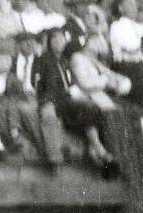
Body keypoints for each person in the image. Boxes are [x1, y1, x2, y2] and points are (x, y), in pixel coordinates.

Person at [39, 28, 115, 170]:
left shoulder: (65, 60)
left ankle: (97, 150)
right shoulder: (44, 60)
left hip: (68, 98)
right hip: (55, 100)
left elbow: (71, 83)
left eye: (61, 39)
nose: (59, 43)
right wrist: (51, 100)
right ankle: (98, 149)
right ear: (49, 43)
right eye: (54, 40)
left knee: (93, 106)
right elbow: (40, 84)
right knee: (87, 107)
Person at [11, 31, 66, 169]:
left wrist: (42, 101)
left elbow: (50, 86)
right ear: (18, 45)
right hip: (19, 97)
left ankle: (53, 157)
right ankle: (53, 154)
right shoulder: (11, 61)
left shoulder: (42, 61)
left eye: (32, 41)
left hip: (40, 98)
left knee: (48, 114)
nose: (29, 44)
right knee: (27, 111)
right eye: (25, 41)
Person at [108, 0, 143, 67]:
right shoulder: (116, 26)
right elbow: (128, 48)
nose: (135, 7)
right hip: (126, 67)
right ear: (120, 8)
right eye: (130, 4)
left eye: (135, 3)